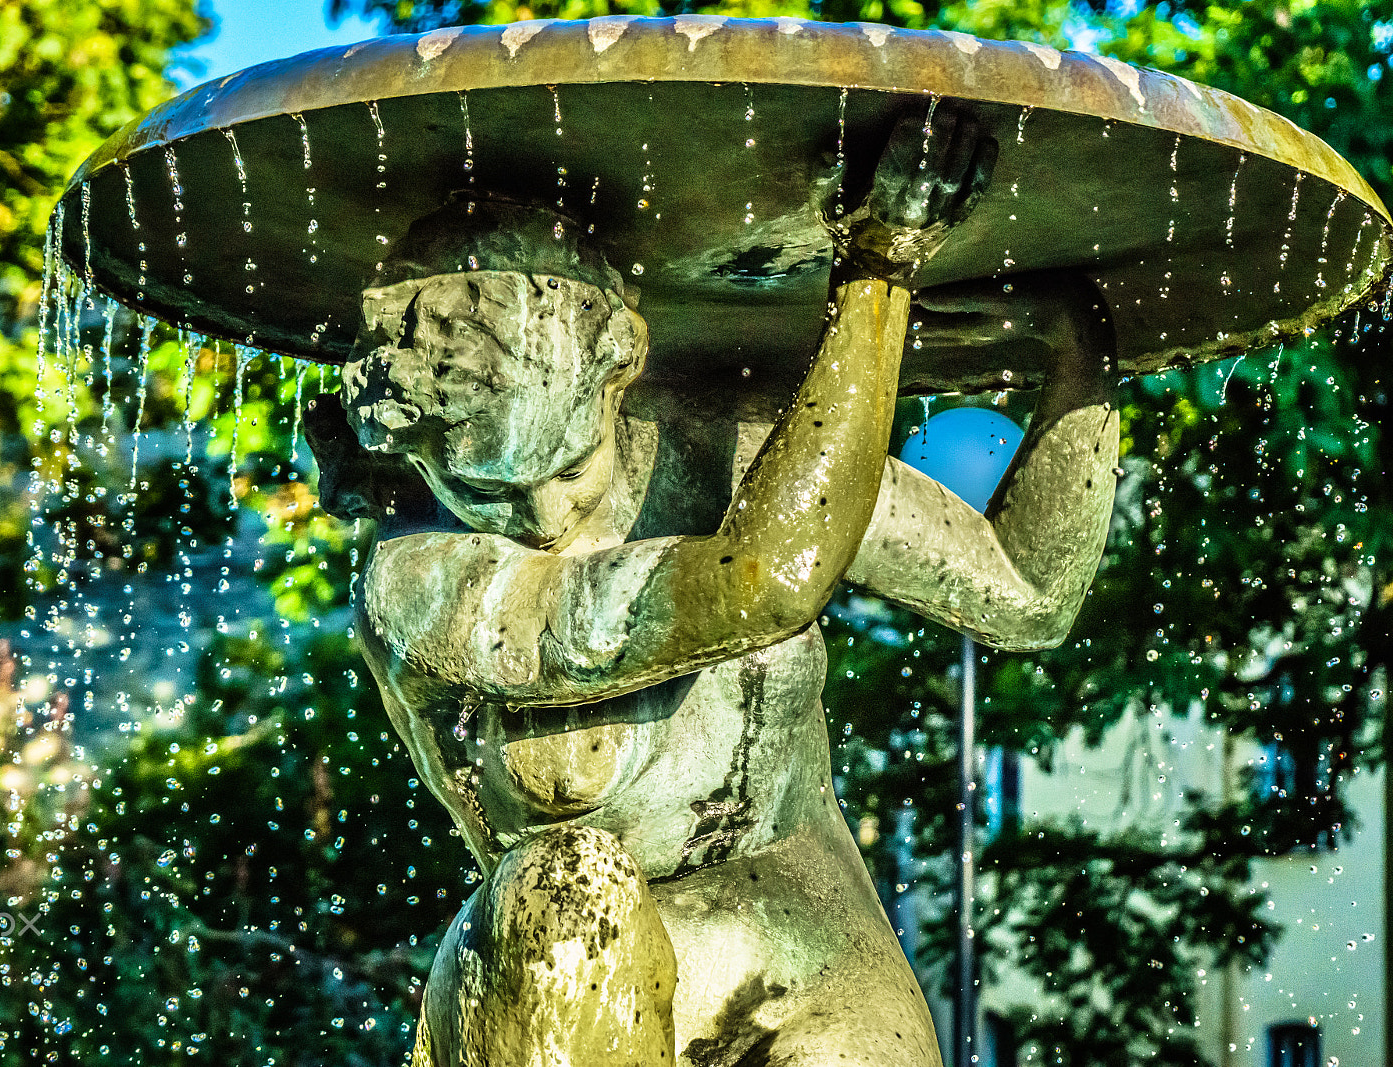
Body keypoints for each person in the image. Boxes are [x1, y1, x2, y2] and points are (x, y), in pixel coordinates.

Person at [304, 107, 1119, 1067]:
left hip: (813, 962)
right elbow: (765, 580)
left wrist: (1079, 353)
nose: (438, 359)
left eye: (487, 322)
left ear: (613, 348)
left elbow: (1028, 594)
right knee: (568, 886)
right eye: (416, 339)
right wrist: (878, 271)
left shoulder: (751, 459)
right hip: (567, 989)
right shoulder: (420, 582)